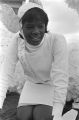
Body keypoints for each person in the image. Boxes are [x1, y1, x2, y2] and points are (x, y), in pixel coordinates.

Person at [0, 0, 68, 120]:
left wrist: (57, 112)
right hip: (31, 85)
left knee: (40, 116)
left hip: (50, 85)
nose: (36, 31)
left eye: (40, 26)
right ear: (21, 27)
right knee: (23, 117)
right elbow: (5, 73)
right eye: (30, 27)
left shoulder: (57, 40)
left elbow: (61, 77)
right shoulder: (17, 40)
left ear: (45, 26)